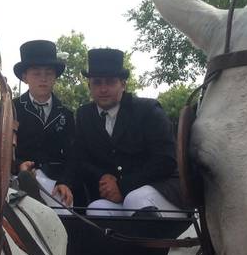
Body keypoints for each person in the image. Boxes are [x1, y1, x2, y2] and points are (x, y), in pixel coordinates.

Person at [72, 48, 182, 216]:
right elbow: (81, 159)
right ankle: (122, 243)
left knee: (135, 199)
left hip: (162, 191)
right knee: (96, 209)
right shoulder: (84, 115)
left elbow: (166, 160)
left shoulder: (148, 110)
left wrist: (123, 186)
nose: (103, 89)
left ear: (123, 84)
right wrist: (104, 178)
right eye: (97, 82)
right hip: (118, 197)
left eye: (110, 82)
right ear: (89, 86)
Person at [12, 40, 76, 207]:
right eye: (36, 73)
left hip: (54, 182)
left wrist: (65, 182)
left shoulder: (66, 114)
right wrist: (18, 165)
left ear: (55, 77)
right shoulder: (11, 109)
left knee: (64, 206)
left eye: (48, 73)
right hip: (18, 179)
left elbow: (73, 156)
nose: (43, 78)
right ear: (25, 77)